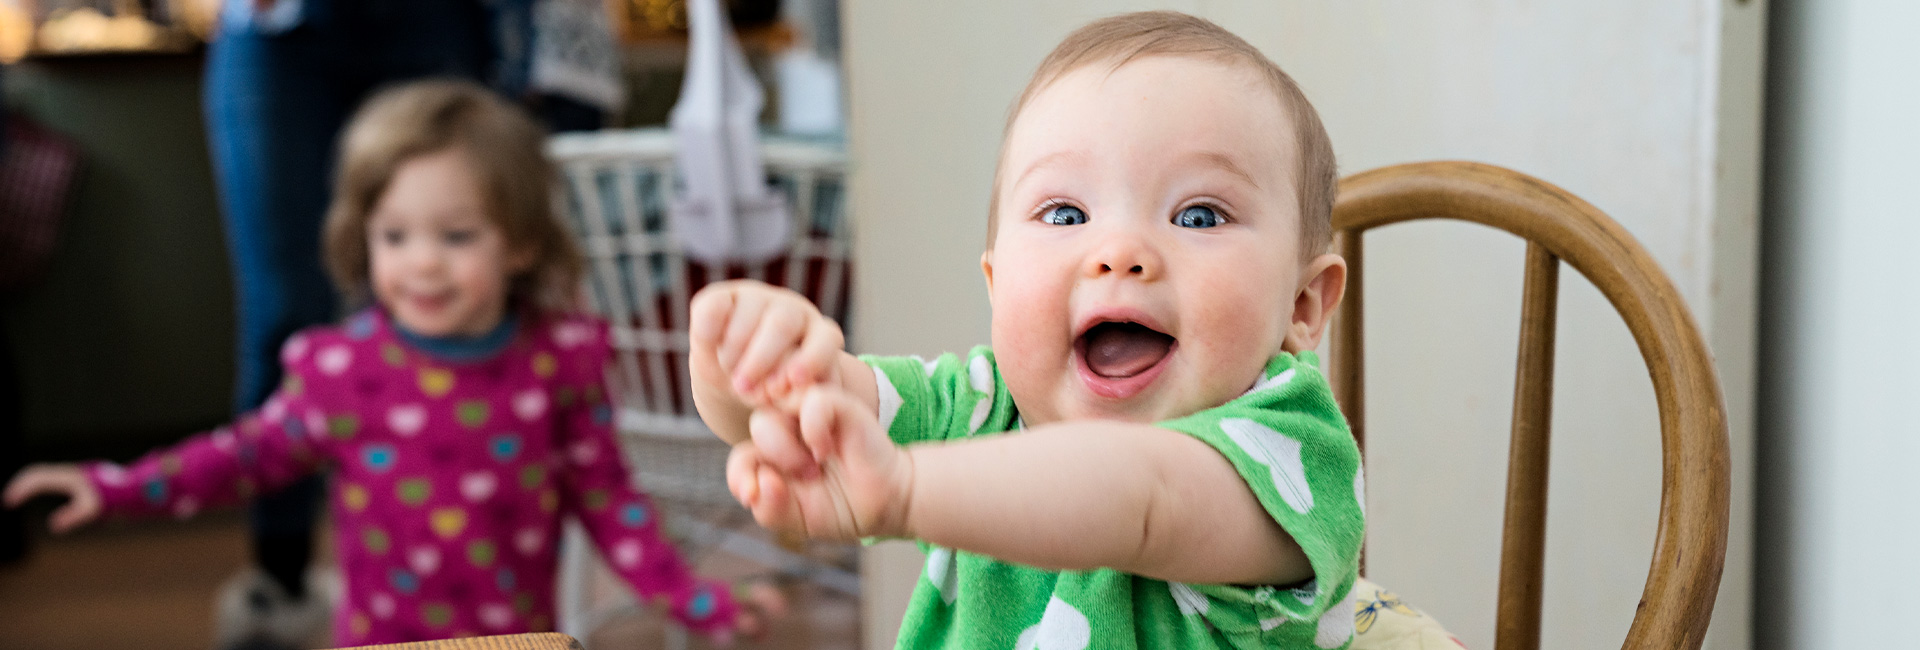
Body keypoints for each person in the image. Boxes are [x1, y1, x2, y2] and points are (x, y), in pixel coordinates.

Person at [4, 80, 780, 646]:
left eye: (456, 235)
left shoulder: (556, 362)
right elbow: (240, 458)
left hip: (513, 641)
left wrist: (693, 599)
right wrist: (114, 487)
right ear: (362, 235)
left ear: (521, 242)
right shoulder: (342, 372)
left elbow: (610, 501)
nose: (423, 266)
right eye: (395, 235)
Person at [688, 11, 1365, 649]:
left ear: (1303, 305)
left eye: (1198, 216)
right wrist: (750, 367)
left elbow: (1141, 497)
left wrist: (908, 492)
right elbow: (812, 414)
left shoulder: (1291, 448)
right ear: (995, 280)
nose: (1120, 252)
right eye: (1066, 214)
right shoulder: (983, 403)